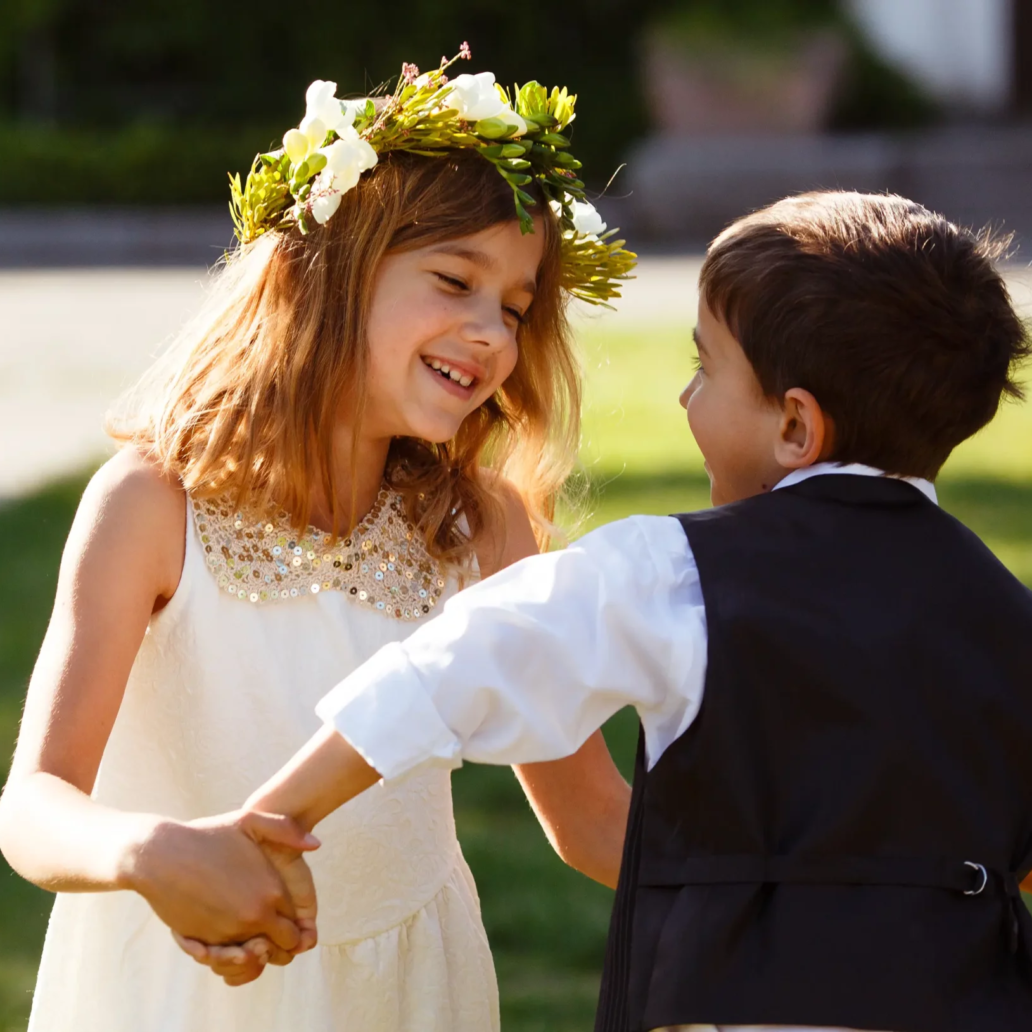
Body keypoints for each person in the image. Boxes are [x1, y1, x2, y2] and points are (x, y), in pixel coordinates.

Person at [208, 191, 1032, 1032]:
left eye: (707, 368)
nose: (684, 397)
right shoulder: (1009, 619)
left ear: (795, 426)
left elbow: (456, 664)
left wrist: (275, 816)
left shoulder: (672, 572)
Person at [0, 51, 636, 1032]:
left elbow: (593, 816)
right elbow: (33, 806)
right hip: (176, 991)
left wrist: (810, 893)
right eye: (455, 281)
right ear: (326, 270)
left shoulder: (483, 531)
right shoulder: (152, 506)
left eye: (512, 307)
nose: (491, 333)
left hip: (415, 992)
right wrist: (153, 853)